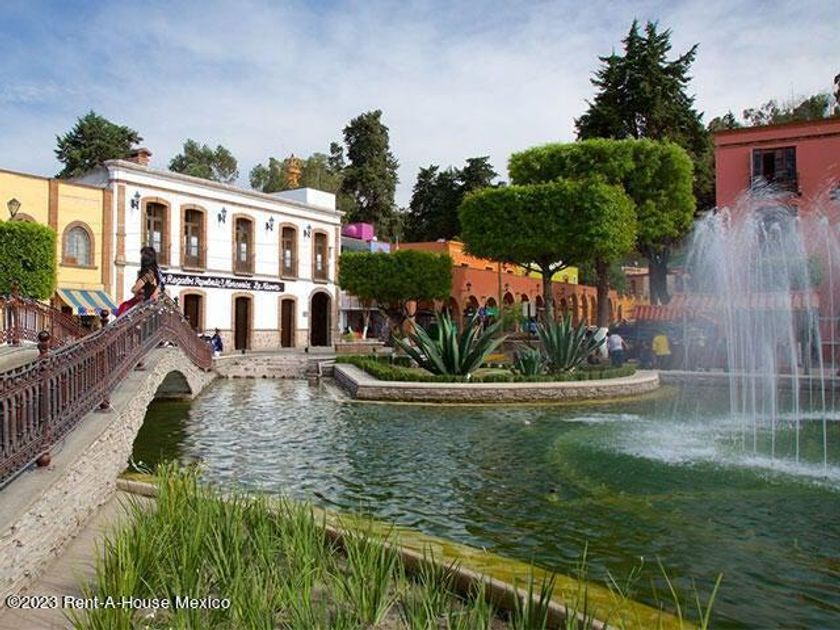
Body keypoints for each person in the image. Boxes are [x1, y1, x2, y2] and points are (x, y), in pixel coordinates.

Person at [116, 246, 161, 316]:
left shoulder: (147, 274)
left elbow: (135, 289)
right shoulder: (155, 273)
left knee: (123, 307)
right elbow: (156, 289)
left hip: (143, 305)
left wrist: (138, 291)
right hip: (149, 306)